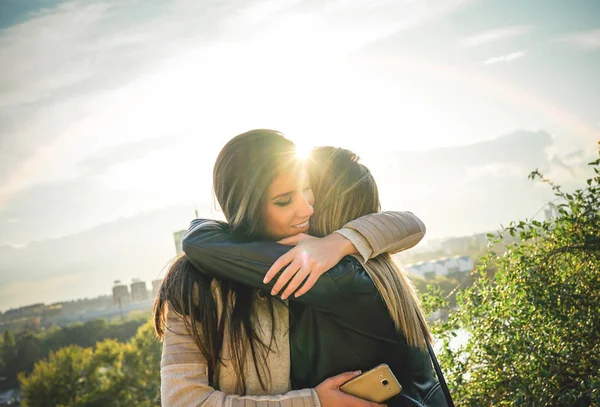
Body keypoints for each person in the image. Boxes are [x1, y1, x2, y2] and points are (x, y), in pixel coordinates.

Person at [154, 130, 427, 406]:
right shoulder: (193, 282)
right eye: (284, 200)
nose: (307, 209)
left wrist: (339, 242)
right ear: (247, 207)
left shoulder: (320, 268)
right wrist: (313, 402)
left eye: (308, 189)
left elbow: (411, 224)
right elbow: (182, 401)